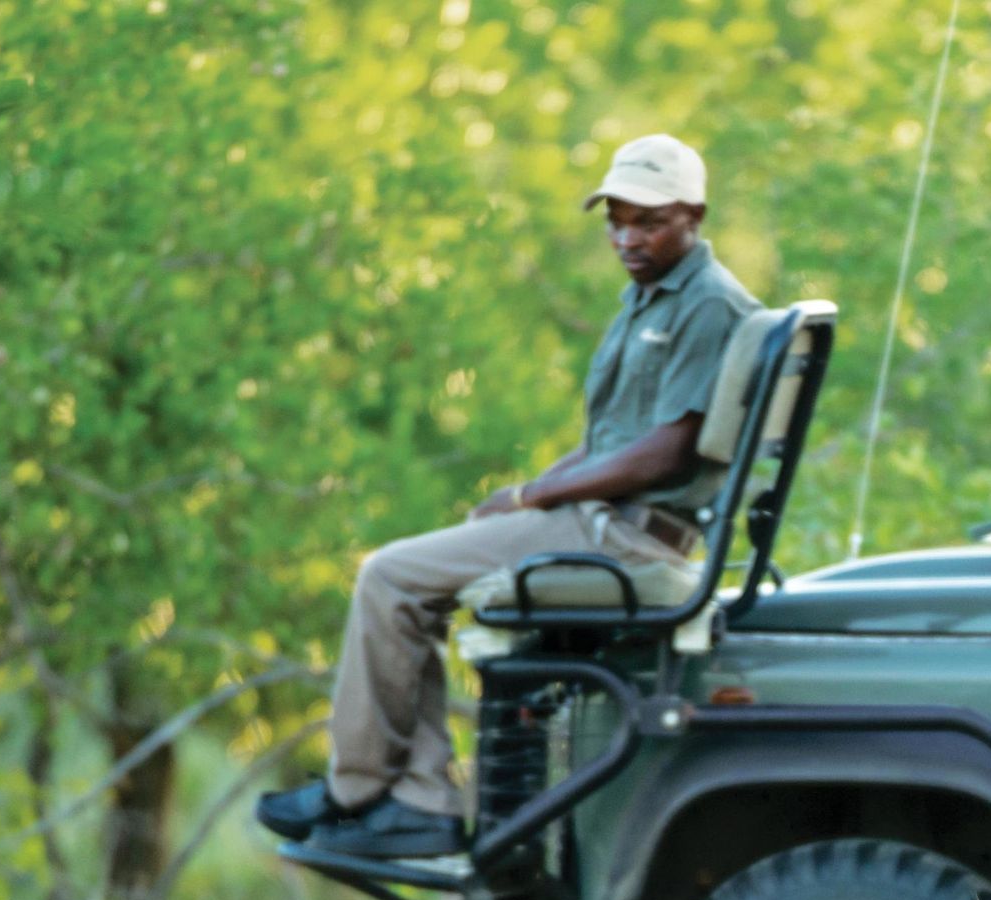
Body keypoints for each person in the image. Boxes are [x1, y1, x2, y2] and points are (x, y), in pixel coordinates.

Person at [256, 134, 758, 858]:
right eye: (617, 219)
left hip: (628, 537)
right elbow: (614, 438)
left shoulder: (706, 305)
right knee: (424, 569)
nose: (628, 237)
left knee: (389, 576)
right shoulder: (649, 297)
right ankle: (417, 798)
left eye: (649, 221)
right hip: (602, 518)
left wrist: (536, 492)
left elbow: (664, 453)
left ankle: (361, 793)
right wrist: (530, 495)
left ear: (695, 214)